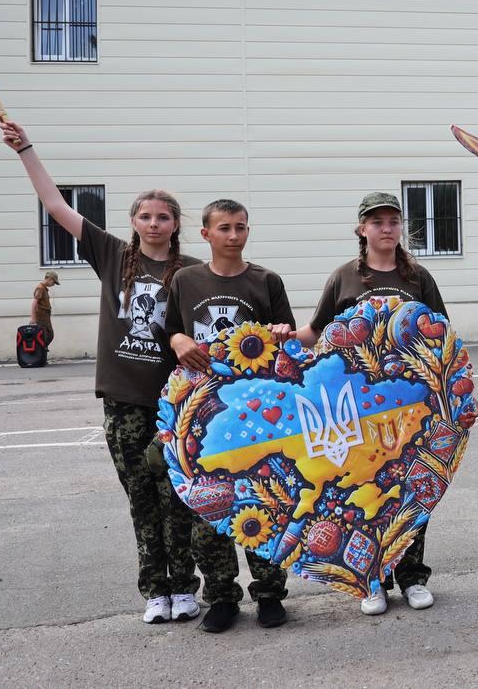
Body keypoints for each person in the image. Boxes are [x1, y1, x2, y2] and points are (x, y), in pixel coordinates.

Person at [0, 115, 201, 625]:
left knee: (178, 500)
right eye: (145, 216)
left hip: (176, 404)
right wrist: (25, 149)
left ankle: (185, 587)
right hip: (123, 401)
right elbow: (55, 205)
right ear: (133, 221)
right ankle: (155, 591)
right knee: (141, 500)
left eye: (163, 217)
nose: (154, 223)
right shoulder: (112, 255)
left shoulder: (190, 272)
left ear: (176, 224)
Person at [291, 191, 446, 617]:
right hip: (357, 411)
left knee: (410, 489)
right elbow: (317, 332)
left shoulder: (418, 277)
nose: (386, 228)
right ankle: (371, 581)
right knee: (363, 493)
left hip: (410, 406)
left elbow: (440, 334)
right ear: (362, 229)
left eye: (393, 221)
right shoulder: (345, 277)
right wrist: (278, 338)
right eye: (377, 222)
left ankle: (412, 577)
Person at [164, 199, 293, 633]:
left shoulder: (266, 281)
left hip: (255, 415)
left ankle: (270, 594)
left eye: (240, 227)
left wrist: (281, 333)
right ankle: (221, 596)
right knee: (209, 509)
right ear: (206, 234)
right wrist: (178, 339)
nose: (233, 235)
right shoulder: (185, 280)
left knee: (263, 500)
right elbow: (169, 330)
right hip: (201, 415)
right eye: (224, 228)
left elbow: (287, 342)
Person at [30, 270, 59, 347]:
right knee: (46, 336)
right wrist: (33, 319)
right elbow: (34, 304)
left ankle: (42, 350)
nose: (53, 284)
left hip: (45, 316)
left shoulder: (44, 288)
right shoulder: (40, 288)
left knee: (48, 335)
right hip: (41, 317)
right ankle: (41, 350)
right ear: (50, 279)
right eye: (54, 282)